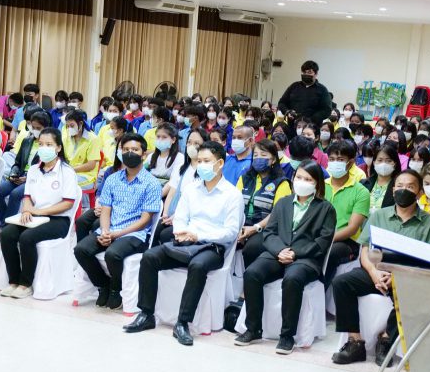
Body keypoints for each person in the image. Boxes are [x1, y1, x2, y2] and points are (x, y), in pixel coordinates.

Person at [124, 141, 244, 346]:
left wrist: (198, 235)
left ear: (220, 163)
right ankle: (146, 314)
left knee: (197, 266)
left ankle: (182, 322)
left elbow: (231, 232)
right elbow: (180, 218)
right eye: (199, 161)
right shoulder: (191, 189)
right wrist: (181, 232)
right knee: (150, 257)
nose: (202, 165)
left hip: (212, 247)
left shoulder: (232, 195)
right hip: (185, 242)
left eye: (207, 161)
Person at [331, 169, 430, 366]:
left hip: (409, 277)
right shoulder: (378, 216)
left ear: (419, 193)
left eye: (410, 187)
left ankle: (386, 339)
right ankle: (355, 341)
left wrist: (398, 278)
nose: (403, 190)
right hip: (376, 271)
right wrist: (373, 272)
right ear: (393, 190)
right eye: (399, 186)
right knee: (341, 282)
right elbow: (365, 250)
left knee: (416, 295)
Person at [235, 160, 336, 354]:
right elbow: (269, 233)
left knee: (293, 278)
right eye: (299, 177)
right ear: (293, 178)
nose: (302, 182)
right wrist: (280, 250)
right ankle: (253, 329)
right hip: (277, 252)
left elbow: (322, 242)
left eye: (308, 179)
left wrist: (295, 253)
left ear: (317, 183)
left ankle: (287, 335)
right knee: (252, 273)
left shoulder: (325, 209)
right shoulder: (283, 203)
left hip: (306, 258)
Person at [74, 133, 163, 309]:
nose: (130, 153)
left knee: (112, 254)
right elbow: (105, 210)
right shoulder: (113, 179)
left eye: (135, 150)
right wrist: (105, 231)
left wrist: (117, 234)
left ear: (143, 154)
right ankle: (103, 285)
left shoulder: (151, 183)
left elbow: (145, 220)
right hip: (110, 228)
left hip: (135, 233)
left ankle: (116, 289)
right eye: (126, 149)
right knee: (81, 250)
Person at [0, 128, 81, 299]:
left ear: (58, 147)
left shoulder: (67, 171)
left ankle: (25, 284)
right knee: (7, 234)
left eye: (49, 144)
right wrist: (27, 209)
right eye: (41, 144)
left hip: (58, 220)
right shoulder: (34, 169)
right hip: (35, 217)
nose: (44, 148)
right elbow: (27, 196)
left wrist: (39, 211)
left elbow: (67, 203)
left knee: (27, 237)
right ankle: (13, 281)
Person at [236, 139, 292, 268]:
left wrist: (255, 228)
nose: (258, 158)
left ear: (273, 159)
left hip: (265, 229)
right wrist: (238, 228)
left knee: (251, 248)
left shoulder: (281, 182)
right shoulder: (244, 178)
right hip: (242, 225)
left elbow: (277, 213)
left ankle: (248, 278)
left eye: (263, 155)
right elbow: (234, 205)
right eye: (255, 155)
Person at [324, 141, 371, 280]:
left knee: (330, 253)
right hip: (321, 235)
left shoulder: (361, 192)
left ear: (350, 163)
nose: (335, 163)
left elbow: (352, 229)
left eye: (340, 159)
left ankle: (322, 288)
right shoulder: (321, 186)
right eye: (332, 159)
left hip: (347, 241)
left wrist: (325, 239)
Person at [277, 60, 333, 126]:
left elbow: (327, 110)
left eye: (309, 72)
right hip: (292, 126)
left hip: (312, 127)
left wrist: (312, 119)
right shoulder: (294, 86)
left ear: (316, 74)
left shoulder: (322, 90)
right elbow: (282, 103)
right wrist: (287, 112)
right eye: (304, 72)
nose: (306, 74)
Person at [64, 110, 102, 189]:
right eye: (67, 126)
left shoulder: (93, 139)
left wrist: (70, 170)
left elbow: (91, 165)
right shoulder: (67, 137)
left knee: (65, 183)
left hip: (87, 176)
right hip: (70, 172)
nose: (69, 128)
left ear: (80, 123)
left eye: (72, 126)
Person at [362, 143, 401, 214]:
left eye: (388, 161)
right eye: (380, 160)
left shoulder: (399, 187)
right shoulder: (363, 184)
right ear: (374, 163)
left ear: (395, 164)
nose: (384, 164)